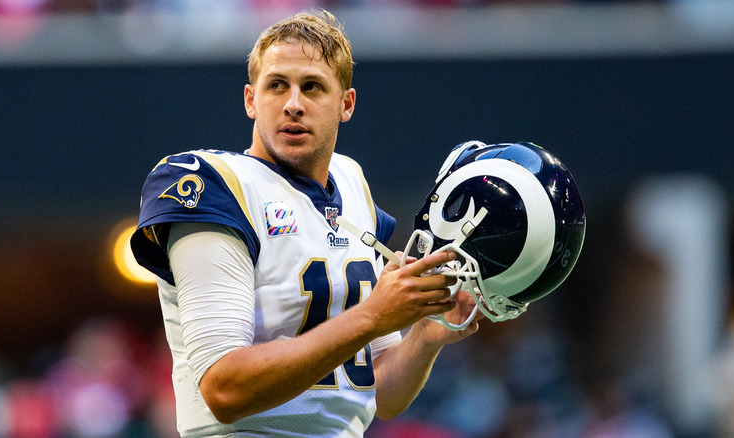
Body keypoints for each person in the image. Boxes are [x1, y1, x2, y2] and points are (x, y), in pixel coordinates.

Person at [130, 9, 482, 437]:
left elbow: (382, 393)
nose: (293, 104)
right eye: (277, 85)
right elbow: (224, 390)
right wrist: (372, 315)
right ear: (250, 100)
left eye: (312, 87)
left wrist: (426, 333)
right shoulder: (217, 184)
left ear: (346, 104)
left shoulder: (351, 183)